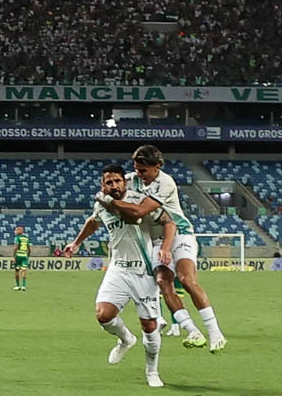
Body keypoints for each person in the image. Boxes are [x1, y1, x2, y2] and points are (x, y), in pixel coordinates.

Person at [94, 145, 227, 353]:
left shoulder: (165, 183)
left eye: (143, 170)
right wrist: (106, 193)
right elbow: (111, 187)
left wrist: (108, 199)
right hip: (156, 239)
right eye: (136, 169)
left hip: (179, 232)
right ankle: (192, 330)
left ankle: (215, 332)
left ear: (157, 167)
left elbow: (138, 211)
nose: (139, 174)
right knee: (162, 281)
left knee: (186, 279)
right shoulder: (131, 179)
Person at [62, 165, 177, 388]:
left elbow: (168, 222)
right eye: (109, 182)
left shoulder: (141, 200)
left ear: (125, 182)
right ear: (102, 185)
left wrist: (166, 247)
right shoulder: (101, 205)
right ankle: (126, 339)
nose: (114, 185)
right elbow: (93, 222)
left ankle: (152, 371)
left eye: (117, 181)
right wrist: (76, 243)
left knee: (150, 326)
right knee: (103, 314)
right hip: (118, 269)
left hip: (142, 271)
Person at [12, 225, 31, 291]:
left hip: (18, 256)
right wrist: (27, 256)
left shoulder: (17, 238)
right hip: (24, 256)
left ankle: (17, 286)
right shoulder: (26, 238)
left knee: (17, 270)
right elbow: (29, 249)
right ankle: (24, 286)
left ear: (19, 231)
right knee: (24, 270)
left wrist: (14, 257)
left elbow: (15, 247)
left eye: (16, 230)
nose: (15, 231)